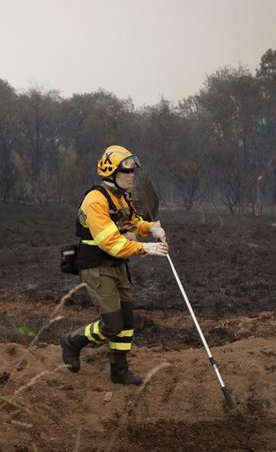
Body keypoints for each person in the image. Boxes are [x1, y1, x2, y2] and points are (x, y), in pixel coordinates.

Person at [60, 144, 169, 385]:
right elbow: (110, 242)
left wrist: (150, 227)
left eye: (132, 172)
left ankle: (119, 370)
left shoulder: (122, 198)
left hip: (118, 266)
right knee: (112, 324)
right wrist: (146, 248)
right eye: (126, 172)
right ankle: (72, 340)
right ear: (111, 173)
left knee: (127, 321)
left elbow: (131, 224)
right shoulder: (95, 200)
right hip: (96, 268)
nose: (132, 176)